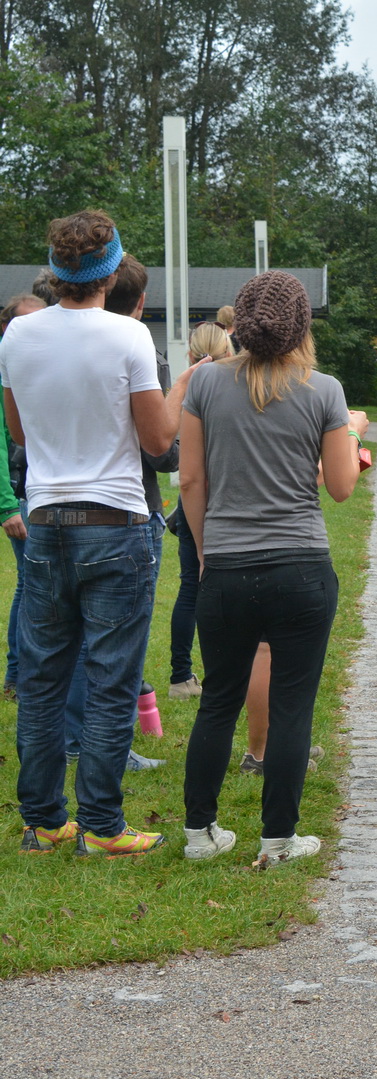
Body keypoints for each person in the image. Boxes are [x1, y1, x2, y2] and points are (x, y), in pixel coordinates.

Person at [1, 210, 190, 856]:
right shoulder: (129, 339)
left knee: (45, 679)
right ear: (111, 272)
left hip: (48, 519)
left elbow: (21, 433)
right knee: (111, 681)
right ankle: (103, 824)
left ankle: (44, 819)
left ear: (55, 272)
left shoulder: (17, 338)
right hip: (115, 522)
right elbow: (159, 438)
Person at [177, 270, 367, 864]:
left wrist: (209, 553)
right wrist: (355, 438)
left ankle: (199, 835)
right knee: (292, 704)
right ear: (301, 325)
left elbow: (189, 479)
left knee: (217, 699)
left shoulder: (205, 385)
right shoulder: (324, 390)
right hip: (300, 567)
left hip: (228, 566)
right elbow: (340, 487)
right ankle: (279, 838)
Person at [167, 323, 236, 699]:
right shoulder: (240, 389)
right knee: (230, 590)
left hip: (193, 497)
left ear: (191, 356)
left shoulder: (186, 392)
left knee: (191, 587)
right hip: (228, 495)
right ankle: (223, 675)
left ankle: (181, 675)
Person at [0, 293, 46, 701]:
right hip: (21, 497)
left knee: (31, 586)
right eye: (22, 322)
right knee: (33, 587)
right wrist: (6, 505)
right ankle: (17, 677)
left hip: (40, 491)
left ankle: (18, 676)